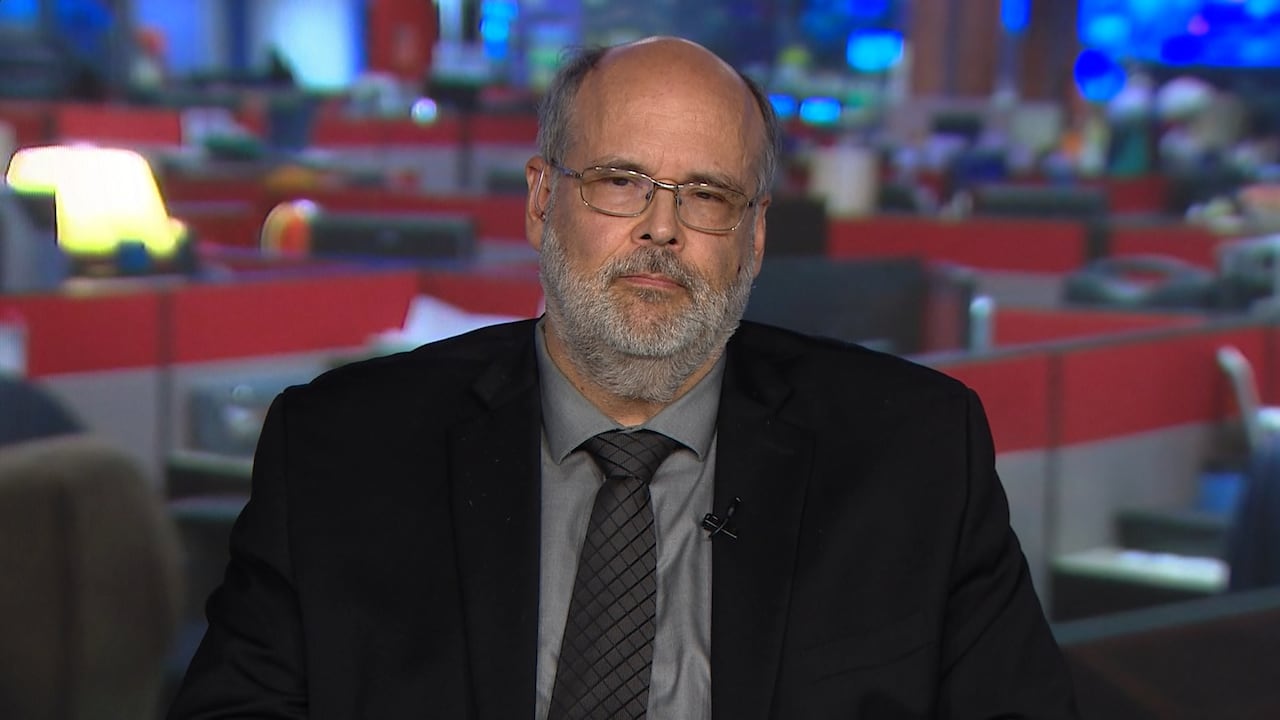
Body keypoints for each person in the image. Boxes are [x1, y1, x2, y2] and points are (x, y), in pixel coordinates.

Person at [167, 36, 1077, 719]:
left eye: (707, 195)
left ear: (754, 238)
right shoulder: (341, 451)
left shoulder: (916, 457)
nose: (661, 228)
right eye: (620, 181)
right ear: (541, 202)